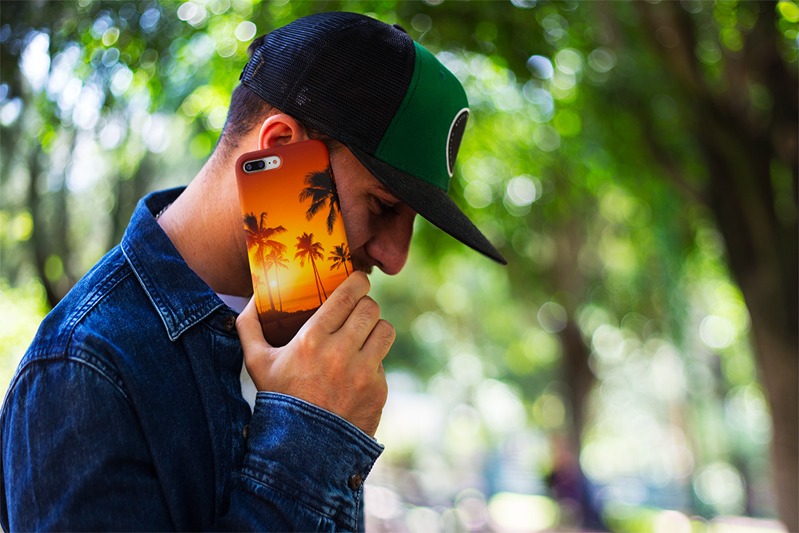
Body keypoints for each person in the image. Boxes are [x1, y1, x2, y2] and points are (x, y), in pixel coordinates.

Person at [0, 11, 506, 531]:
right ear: (280, 147)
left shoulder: (310, 347)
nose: (395, 258)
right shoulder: (82, 369)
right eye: (382, 205)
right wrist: (310, 433)